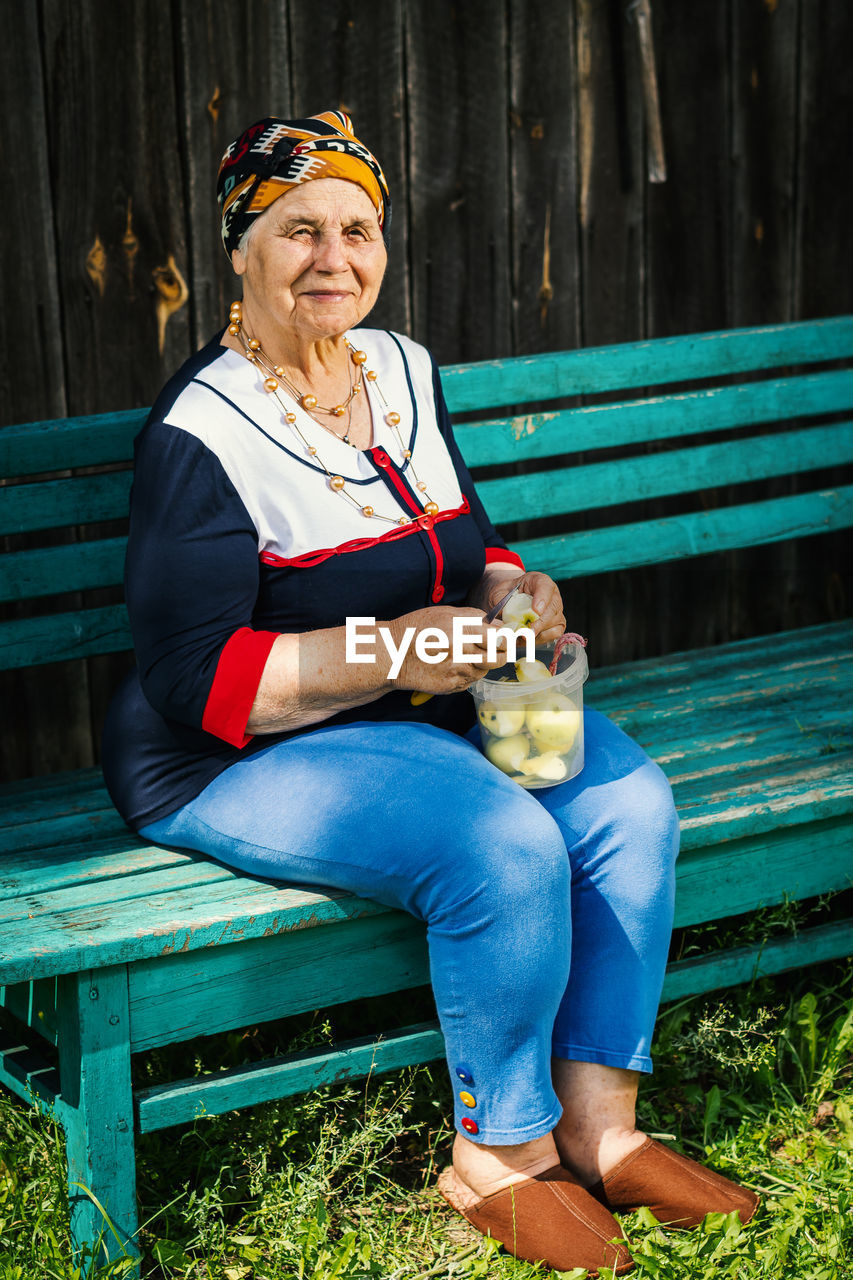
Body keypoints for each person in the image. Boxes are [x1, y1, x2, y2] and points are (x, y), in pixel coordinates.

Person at [102, 112, 758, 1275]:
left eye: (358, 229)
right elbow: (197, 677)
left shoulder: (399, 367)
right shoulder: (200, 432)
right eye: (298, 229)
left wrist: (515, 587)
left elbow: (464, 542)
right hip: (238, 751)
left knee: (623, 805)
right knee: (502, 842)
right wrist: (393, 646)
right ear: (239, 248)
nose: (334, 256)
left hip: (428, 699)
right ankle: (498, 1152)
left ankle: (602, 1126)